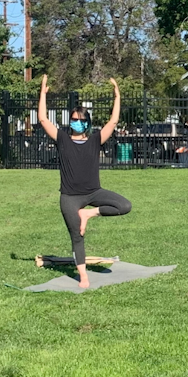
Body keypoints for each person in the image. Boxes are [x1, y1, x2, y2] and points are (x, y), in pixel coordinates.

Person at [37, 74, 131, 288]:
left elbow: (113, 121)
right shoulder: (62, 138)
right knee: (77, 236)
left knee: (125, 206)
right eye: (74, 119)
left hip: (93, 192)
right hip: (70, 196)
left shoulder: (96, 139)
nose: (77, 123)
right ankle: (83, 276)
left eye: (81, 120)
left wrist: (117, 97)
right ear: (70, 121)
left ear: (87, 123)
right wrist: (42, 94)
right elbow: (42, 119)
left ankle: (88, 213)